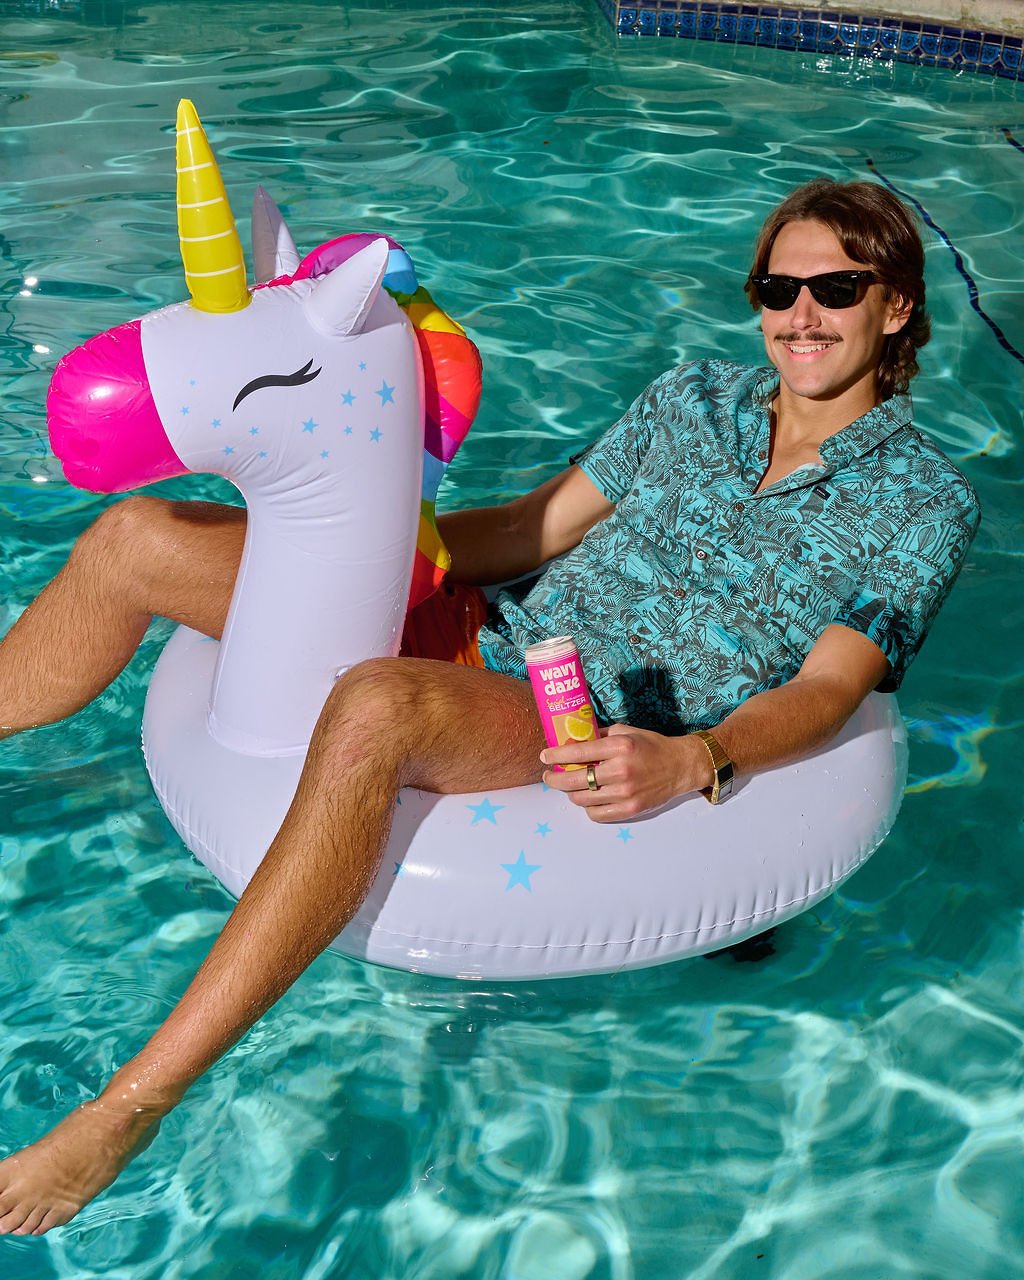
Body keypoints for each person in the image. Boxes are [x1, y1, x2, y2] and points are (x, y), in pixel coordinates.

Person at [0, 178, 979, 1234]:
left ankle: (130, 1105)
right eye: (776, 286)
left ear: (897, 306)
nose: (799, 315)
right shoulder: (690, 397)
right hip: (480, 615)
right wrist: (367, 542)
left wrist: (699, 757)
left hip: (570, 713)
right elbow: (526, 529)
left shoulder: (923, 503)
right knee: (138, 537)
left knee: (376, 706)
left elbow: (830, 688)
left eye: (835, 287)